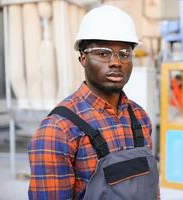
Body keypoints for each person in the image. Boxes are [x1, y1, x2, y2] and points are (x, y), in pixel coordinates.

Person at [28, 5, 159, 200]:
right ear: (83, 58)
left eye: (124, 53)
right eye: (103, 53)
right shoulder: (58, 130)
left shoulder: (140, 117)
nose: (116, 62)